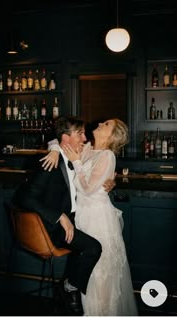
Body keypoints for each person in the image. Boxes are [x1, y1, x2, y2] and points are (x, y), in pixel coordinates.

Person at [12, 116, 115, 315]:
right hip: (51, 228)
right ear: (66, 138)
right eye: (80, 134)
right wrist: (60, 216)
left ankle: (85, 296)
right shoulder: (50, 162)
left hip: (75, 219)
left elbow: (98, 170)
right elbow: (23, 198)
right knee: (93, 248)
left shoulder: (76, 154)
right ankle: (69, 288)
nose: (85, 138)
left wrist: (112, 181)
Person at [44, 118, 138, 316]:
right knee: (86, 264)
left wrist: (77, 162)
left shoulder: (107, 155)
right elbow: (60, 140)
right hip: (82, 215)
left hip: (98, 217)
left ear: (112, 136)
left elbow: (87, 188)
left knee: (101, 270)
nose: (101, 123)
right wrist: (54, 150)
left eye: (106, 125)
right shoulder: (87, 147)